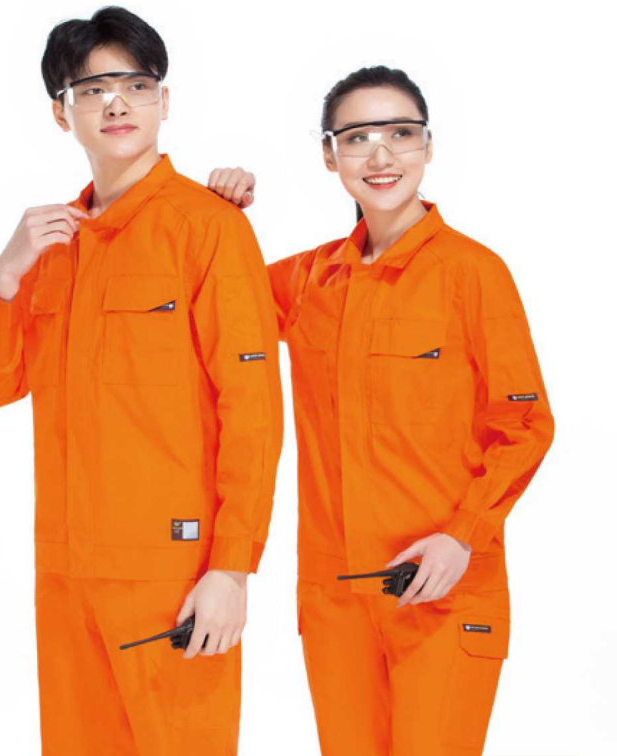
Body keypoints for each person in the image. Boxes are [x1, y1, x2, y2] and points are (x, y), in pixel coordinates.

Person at [0, 7, 283, 755]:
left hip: (172, 572)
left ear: (163, 101)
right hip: (65, 573)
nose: (115, 104)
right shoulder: (50, 245)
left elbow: (253, 410)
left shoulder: (208, 226)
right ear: (61, 111)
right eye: (92, 89)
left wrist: (231, 569)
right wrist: (6, 275)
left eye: (135, 86)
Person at [207, 65, 555, 755]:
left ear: (428, 146)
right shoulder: (308, 280)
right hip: (335, 599)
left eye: (400, 133)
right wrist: (219, 214)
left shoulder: (472, 273)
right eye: (357, 137)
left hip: (442, 589)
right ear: (328, 154)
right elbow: (210, 301)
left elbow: (525, 425)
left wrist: (462, 536)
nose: (380, 154)